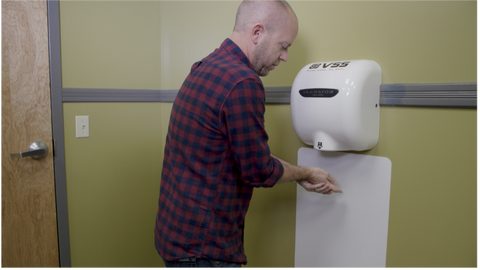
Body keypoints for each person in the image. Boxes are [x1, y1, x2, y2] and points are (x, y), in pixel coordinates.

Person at [155, 0, 342, 269]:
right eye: (284, 45)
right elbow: (258, 171)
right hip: (204, 249)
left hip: (174, 234)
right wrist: (306, 173)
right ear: (257, 32)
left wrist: (288, 171)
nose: (285, 56)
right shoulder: (243, 82)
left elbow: (243, 151)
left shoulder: (205, 67)